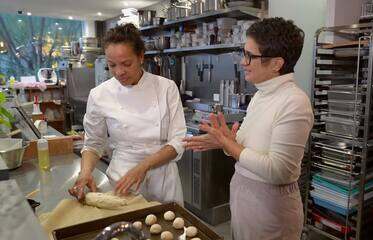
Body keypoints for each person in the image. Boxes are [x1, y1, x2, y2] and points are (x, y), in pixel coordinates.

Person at [183, 18, 314, 240]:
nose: (243, 62)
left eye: (250, 56)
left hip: (271, 209)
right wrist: (225, 142)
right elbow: (242, 149)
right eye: (243, 53)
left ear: (276, 64)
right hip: (244, 198)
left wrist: (229, 144)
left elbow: (278, 171)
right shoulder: (260, 95)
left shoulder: (294, 102)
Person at [69, 23, 186, 205]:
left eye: (126, 64)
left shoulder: (166, 88)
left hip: (163, 179)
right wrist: (85, 174)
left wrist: (143, 166)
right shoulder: (99, 94)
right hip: (123, 179)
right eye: (112, 65)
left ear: (141, 57)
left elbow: (178, 141)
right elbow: (93, 143)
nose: (119, 72)